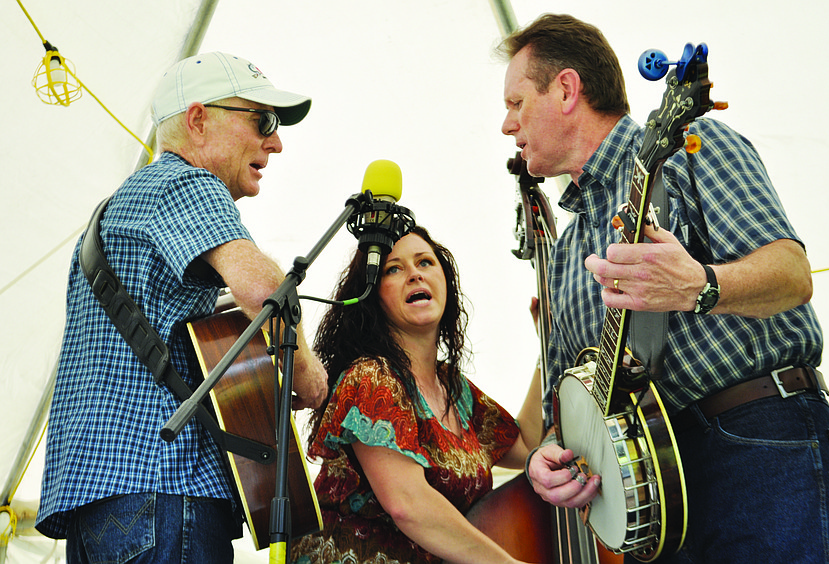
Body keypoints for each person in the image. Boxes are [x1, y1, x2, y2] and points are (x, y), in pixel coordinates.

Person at [497, 13, 829, 564]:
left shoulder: (690, 146)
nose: (506, 125)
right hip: (655, 499)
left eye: (516, 104)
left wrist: (699, 285)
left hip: (759, 441)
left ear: (566, 89)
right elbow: (562, 410)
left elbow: (790, 274)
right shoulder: (565, 255)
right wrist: (548, 457)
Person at [36, 51, 328, 563]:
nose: (275, 142)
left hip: (99, 504)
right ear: (198, 120)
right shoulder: (185, 183)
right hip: (162, 492)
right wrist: (308, 377)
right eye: (262, 120)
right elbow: (264, 290)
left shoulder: (115, 210)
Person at [290, 226, 544, 564]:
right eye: (393, 269)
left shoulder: (454, 388)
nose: (414, 275)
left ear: (445, 283)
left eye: (425, 262)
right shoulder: (371, 377)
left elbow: (528, 446)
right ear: (373, 296)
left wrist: (547, 347)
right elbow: (407, 505)